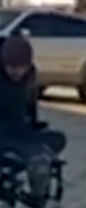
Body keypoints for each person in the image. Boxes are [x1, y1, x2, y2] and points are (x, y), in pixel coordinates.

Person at [0, 35, 66, 198]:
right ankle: (35, 157)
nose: (16, 72)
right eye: (11, 67)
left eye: (21, 68)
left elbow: (30, 106)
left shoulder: (30, 77)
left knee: (57, 138)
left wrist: (33, 124)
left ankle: (37, 161)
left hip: (19, 130)